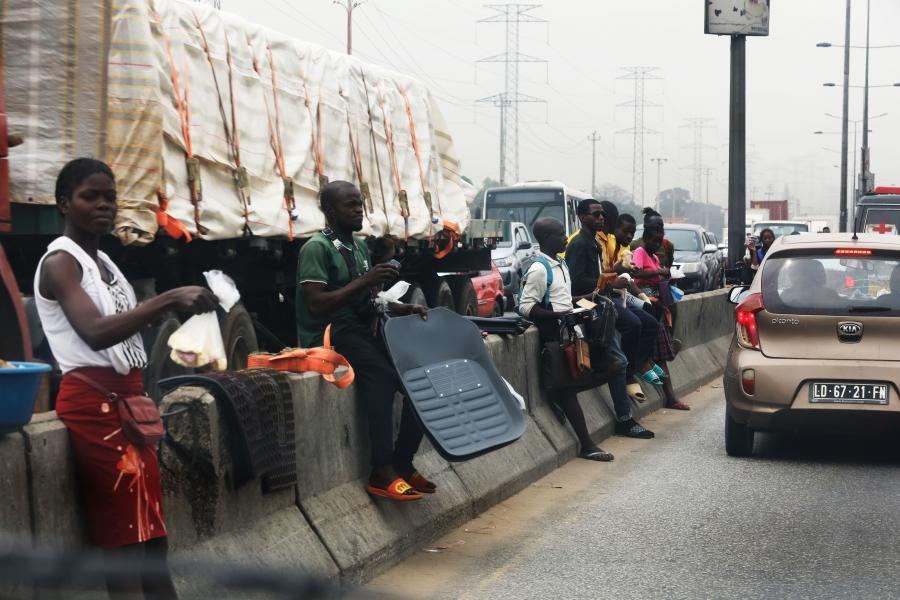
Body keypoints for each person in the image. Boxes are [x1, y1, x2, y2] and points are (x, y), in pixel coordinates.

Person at [36, 158, 220, 599]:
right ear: (64, 204)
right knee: (125, 543)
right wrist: (169, 299)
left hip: (130, 406)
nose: (104, 205)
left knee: (153, 541)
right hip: (95, 407)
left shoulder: (104, 263)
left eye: (110, 197)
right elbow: (95, 332)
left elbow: (126, 325)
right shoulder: (60, 262)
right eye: (90, 196)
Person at [296, 180, 431, 501]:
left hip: (359, 329)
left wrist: (403, 308)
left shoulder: (357, 246)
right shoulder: (316, 247)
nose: (359, 209)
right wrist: (365, 281)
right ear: (330, 212)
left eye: (360, 203)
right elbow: (316, 304)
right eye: (351, 205)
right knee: (381, 376)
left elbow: (369, 300)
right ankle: (380, 470)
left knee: (419, 377)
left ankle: (402, 462)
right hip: (330, 333)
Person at [518, 217, 615, 461]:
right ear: (546, 238)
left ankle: (556, 395)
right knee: (570, 389)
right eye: (561, 234)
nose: (565, 238)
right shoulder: (539, 269)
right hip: (555, 338)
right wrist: (558, 316)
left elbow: (565, 299)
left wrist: (592, 299)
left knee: (612, 366)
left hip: (573, 333)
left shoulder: (561, 263)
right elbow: (526, 307)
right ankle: (587, 445)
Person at [563, 199, 655, 438]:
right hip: (589, 307)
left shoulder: (593, 242)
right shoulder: (580, 244)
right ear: (582, 217)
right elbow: (576, 282)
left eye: (602, 214)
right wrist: (609, 283)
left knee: (632, 335)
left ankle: (627, 400)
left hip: (601, 304)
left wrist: (612, 276)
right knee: (618, 361)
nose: (601, 218)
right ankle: (625, 420)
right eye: (595, 214)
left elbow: (595, 277)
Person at [632, 226, 690, 410]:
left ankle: (669, 396)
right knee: (660, 356)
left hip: (657, 306)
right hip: (646, 305)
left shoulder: (655, 257)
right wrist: (658, 273)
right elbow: (636, 273)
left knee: (661, 356)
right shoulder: (640, 252)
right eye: (654, 240)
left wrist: (666, 276)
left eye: (660, 241)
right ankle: (670, 397)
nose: (657, 244)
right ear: (645, 238)